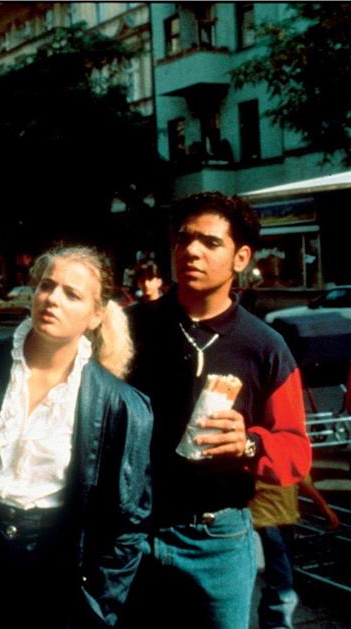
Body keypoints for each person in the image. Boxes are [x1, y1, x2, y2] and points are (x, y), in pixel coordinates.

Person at [126, 191, 312, 629]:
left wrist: (249, 444)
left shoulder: (265, 347)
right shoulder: (129, 328)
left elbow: (297, 453)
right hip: (133, 532)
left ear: (240, 258)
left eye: (210, 242)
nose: (190, 250)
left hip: (218, 540)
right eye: (183, 238)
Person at [0, 245, 153, 627]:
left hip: (59, 572)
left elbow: (128, 521)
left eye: (72, 294)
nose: (53, 299)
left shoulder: (119, 404)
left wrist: (98, 604)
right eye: (46, 285)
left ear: (95, 315)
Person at [249, 475, 340, 629]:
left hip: (285, 518)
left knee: (279, 576)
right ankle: (275, 624)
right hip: (263, 519)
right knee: (282, 579)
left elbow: (302, 475)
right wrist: (324, 508)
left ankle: (270, 622)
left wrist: (324, 507)